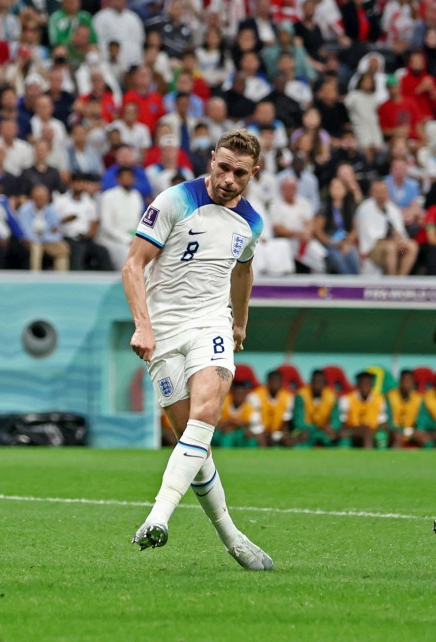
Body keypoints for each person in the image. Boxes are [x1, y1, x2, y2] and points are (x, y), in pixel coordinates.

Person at [122, 129, 272, 569]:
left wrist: (239, 322)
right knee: (194, 441)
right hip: (164, 331)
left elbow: (243, 271)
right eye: (223, 167)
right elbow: (133, 264)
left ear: (253, 173)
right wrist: (142, 327)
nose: (228, 178)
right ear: (211, 160)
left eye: (239, 172)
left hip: (211, 323)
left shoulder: (252, 222)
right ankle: (234, 539)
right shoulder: (174, 201)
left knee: (206, 416)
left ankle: (158, 516)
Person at [338, 371, 390, 449]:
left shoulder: (379, 400)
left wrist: (373, 429)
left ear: (372, 385)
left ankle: (383, 458)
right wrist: (360, 429)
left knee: (381, 436)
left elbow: (383, 422)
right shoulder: (346, 399)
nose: (365, 387)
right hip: (352, 431)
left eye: (368, 384)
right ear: (358, 385)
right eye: (363, 384)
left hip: (373, 430)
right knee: (345, 436)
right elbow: (342, 422)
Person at [293, 369, 339, 447]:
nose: (317, 385)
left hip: (325, 432)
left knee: (339, 437)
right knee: (302, 437)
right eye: (315, 382)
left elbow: (336, 420)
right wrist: (314, 428)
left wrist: (331, 427)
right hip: (306, 430)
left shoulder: (332, 397)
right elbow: (298, 421)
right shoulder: (301, 395)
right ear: (311, 382)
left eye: (320, 382)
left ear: (325, 383)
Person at [386, 370, 431, 449]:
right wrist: (398, 430)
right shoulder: (390, 396)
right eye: (404, 380)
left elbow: (421, 420)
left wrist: (417, 429)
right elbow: (388, 419)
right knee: (397, 437)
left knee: (426, 439)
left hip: (412, 431)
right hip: (395, 431)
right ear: (400, 382)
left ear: (413, 383)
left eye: (409, 381)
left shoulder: (418, 399)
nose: (406, 384)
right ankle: (394, 460)